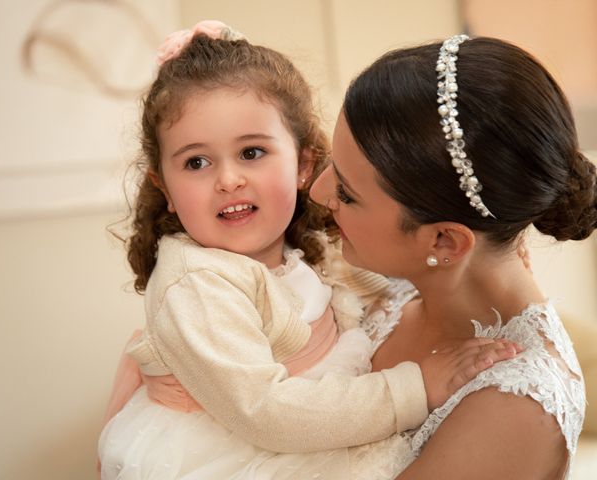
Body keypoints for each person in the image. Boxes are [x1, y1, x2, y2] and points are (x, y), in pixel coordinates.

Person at [97, 22, 518, 480]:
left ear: (303, 164)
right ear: (166, 188)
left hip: (306, 425)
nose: (228, 179)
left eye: (252, 153)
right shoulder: (195, 283)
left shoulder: (307, 246)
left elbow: (385, 284)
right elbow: (263, 411)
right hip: (239, 449)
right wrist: (418, 386)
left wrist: (479, 267)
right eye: (196, 162)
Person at [309, 34, 594, 479]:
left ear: (444, 241)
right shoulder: (408, 279)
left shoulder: (516, 409)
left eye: (346, 192)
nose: (317, 191)